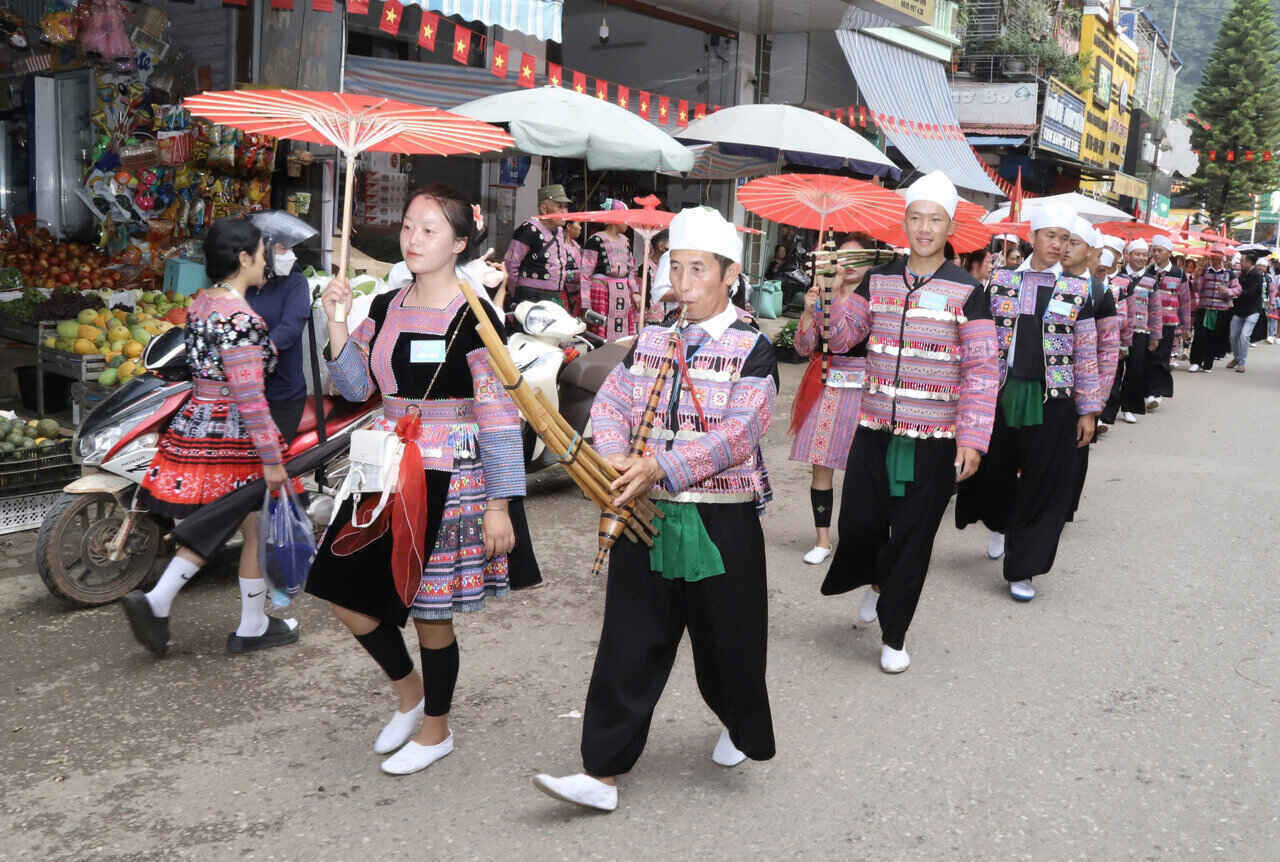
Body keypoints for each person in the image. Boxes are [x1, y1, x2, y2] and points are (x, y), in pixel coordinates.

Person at [533, 206, 778, 812]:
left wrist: (661, 465)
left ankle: (739, 726)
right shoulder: (650, 337)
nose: (684, 281)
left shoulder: (754, 348)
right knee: (629, 640)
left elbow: (739, 434)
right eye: (677, 267)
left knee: (729, 646)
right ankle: (602, 771)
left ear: (729, 277)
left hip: (723, 520)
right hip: (646, 511)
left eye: (699, 269)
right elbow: (613, 404)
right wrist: (616, 459)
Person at [307, 185, 526, 776]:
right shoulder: (383, 305)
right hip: (384, 466)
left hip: (448, 476)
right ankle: (409, 694)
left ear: (459, 243)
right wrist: (335, 323)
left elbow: (501, 416)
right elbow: (354, 388)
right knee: (341, 590)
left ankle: (437, 728)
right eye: (408, 227)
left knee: (430, 612)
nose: (413, 239)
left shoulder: (477, 318)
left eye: (429, 230)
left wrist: (499, 504)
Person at [819, 170, 999, 673]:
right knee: (859, 522)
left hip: (935, 439)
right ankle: (875, 582)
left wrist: (973, 439)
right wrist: (836, 292)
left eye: (934, 219)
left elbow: (984, 369)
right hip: (875, 430)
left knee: (915, 537)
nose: (924, 228)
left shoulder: (968, 291)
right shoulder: (879, 279)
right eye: (916, 218)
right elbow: (840, 340)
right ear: (904, 223)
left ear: (949, 227)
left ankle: (894, 632)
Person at [121, 218, 299, 657]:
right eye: (262, 251)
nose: (268, 259)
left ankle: (243, 620)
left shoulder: (202, 303)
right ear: (244, 258)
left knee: (238, 522)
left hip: (198, 424)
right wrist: (272, 458)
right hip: (232, 435)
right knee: (239, 523)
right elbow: (251, 398)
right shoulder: (241, 318)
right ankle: (170, 604)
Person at [955, 207, 1100, 601]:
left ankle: (1024, 566)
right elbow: (978, 339)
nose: (1058, 245)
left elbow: (1086, 351)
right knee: (997, 470)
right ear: (1032, 237)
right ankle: (1002, 524)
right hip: (1002, 390)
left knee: (1045, 479)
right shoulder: (1000, 281)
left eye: (1065, 239)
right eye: (1050, 235)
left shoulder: (1077, 290)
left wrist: (1088, 408)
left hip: (1053, 397)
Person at [788, 233, 874, 565]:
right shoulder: (821, 290)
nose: (848, 266)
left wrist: (829, 295)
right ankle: (822, 539)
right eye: (842, 258)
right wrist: (809, 311)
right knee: (820, 466)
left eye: (856, 259)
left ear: (869, 263)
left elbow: (841, 339)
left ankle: (857, 537)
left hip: (863, 389)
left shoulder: (869, 299)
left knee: (861, 469)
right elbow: (802, 347)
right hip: (825, 384)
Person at [246, 211, 317, 446]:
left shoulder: (296, 282)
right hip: (245, 393)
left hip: (282, 396)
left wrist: (252, 355)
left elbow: (290, 328)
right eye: (282, 249)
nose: (290, 255)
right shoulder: (245, 283)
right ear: (263, 250)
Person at [1067, 224, 1119, 519]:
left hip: (1083, 388)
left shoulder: (1099, 292)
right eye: (1064, 240)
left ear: (1092, 252)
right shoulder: (1046, 281)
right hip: (1045, 387)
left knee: (1076, 448)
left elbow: (1109, 348)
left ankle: (1063, 507)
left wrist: (1098, 396)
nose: (1066, 248)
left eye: (1073, 242)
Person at [504, 183, 573, 307]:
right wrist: (516, 294)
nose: (565, 212)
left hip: (555, 295)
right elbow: (511, 265)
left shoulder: (560, 232)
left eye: (566, 207)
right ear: (544, 209)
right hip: (530, 296)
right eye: (560, 207)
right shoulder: (528, 230)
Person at [581, 199, 641, 340]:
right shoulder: (595, 240)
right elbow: (585, 274)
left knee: (623, 336)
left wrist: (635, 292)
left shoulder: (626, 241)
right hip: (601, 291)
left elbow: (630, 270)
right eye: (625, 218)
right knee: (600, 333)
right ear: (615, 218)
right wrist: (585, 303)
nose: (627, 222)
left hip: (622, 292)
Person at [1144, 235, 1191, 409]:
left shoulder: (1179, 274)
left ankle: (1156, 393)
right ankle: (1147, 391)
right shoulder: (1148, 271)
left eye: (1159, 250)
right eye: (1153, 250)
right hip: (1147, 323)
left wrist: (1186, 326)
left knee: (1161, 358)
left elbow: (1185, 301)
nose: (1155, 253)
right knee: (1148, 358)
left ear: (1169, 253)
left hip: (1168, 323)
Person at [1115, 239, 1159, 424]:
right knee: (1115, 371)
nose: (1140, 258)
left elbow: (1155, 310)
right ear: (1128, 256)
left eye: (1143, 254)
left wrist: (1155, 335)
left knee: (1135, 370)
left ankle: (1128, 408)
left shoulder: (1151, 280)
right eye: (1136, 254)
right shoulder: (1118, 277)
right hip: (1118, 332)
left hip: (1140, 332)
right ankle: (1107, 412)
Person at [1189, 247, 1234, 373]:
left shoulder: (1229, 274)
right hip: (1204, 308)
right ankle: (1195, 362)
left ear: (1222, 259)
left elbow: (1238, 289)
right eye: (1214, 258)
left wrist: (1228, 291)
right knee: (1199, 336)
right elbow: (1197, 289)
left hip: (1220, 310)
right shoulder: (1204, 272)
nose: (1216, 261)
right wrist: (1197, 277)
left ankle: (1208, 364)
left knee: (1214, 337)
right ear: (1210, 259)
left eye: (1218, 258)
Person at [1227, 249, 1266, 373]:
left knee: (1244, 336)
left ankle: (1242, 363)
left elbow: (1250, 292)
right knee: (1233, 336)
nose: (1240, 263)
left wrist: (1234, 292)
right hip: (1239, 309)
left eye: (1242, 261)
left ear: (1250, 262)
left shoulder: (1258, 275)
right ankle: (1236, 358)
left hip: (1253, 310)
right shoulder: (1240, 274)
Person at [562, 220, 584, 315]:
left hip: (576, 291)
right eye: (578, 224)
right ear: (568, 226)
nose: (580, 227)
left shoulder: (576, 246)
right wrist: (580, 275)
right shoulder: (560, 246)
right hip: (563, 290)